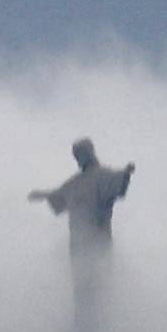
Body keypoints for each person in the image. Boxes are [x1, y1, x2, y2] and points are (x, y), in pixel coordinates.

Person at [32, 137, 134, 321]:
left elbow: (117, 185)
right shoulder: (75, 183)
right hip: (78, 245)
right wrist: (43, 195)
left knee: (101, 286)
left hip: (98, 241)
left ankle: (104, 324)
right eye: (76, 155)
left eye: (81, 154)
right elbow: (60, 195)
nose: (79, 158)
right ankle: (84, 324)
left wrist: (125, 175)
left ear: (90, 152)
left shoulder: (103, 176)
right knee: (82, 290)